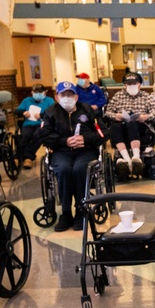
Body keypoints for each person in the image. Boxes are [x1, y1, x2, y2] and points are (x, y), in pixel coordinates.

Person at [37, 82, 108, 232]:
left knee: (80, 169)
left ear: (76, 97)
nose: (67, 98)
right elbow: (43, 136)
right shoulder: (50, 113)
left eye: (70, 95)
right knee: (63, 170)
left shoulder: (88, 110)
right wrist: (64, 141)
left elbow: (103, 133)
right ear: (57, 97)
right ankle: (66, 213)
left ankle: (81, 211)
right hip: (61, 152)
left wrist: (85, 139)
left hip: (86, 151)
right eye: (64, 95)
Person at [103, 72, 155, 179]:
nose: (131, 85)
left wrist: (145, 117)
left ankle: (136, 157)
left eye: (134, 83)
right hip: (122, 125)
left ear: (139, 84)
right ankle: (127, 159)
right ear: (125, 85)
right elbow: (107, 112)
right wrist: (116, 115)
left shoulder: (146, 96)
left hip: (141, 126)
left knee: (132, 123)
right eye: (129, 83)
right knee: (114, 127)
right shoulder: (118, 96)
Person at [14, 84, 54, 170]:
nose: (38, 94)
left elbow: (53, 113)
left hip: (42, 124)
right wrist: (23, 112)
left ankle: (28, 157)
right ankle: (18, 156)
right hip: (28, 123)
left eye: (40, 92)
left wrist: (42, 115)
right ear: (32, 92)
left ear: (45, 92)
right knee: (25, 136)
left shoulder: (49, 101)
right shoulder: (27, 100)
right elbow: (17, 110)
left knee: (38, 135)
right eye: (36, 92)